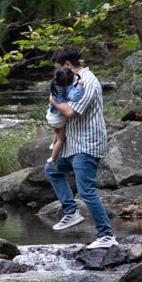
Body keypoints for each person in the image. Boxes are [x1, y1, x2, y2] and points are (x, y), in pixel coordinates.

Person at [43, 47, 117, 249]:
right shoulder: (73, 80)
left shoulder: (89, 82)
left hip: (87, 143)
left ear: (68, 65)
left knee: (86, 191)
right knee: (51, 169)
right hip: (72, 143)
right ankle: (71, 212)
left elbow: (70, 112)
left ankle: (106, 235)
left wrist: (52, 101)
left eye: (59, 68)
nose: (57, 74)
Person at [46, 65, 84, 169]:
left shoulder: (55, 84)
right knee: (61, 139)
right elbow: (74, 97)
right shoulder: (67, 90)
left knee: (57, 131)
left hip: (51, 115)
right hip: (58, 118)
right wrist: (80, 85)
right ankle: (52, 159)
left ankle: (52, 145)